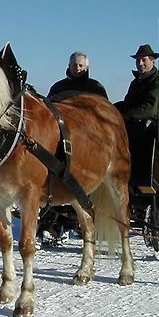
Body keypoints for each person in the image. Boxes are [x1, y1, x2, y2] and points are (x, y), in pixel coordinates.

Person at [38, 51, 108, 247]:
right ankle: (49, 224)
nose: (77, 68)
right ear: (68, 66)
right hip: (61, 140)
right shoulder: (58, 87)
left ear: (87, 67)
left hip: (88, 141)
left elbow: (104, 115)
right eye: (74, 65)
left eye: (81, 65)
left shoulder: (95, 88)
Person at [115, 44, 159, 185]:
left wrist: (124, 117)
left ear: (153, 61)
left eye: (143, 60)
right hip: (137, 122)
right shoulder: (135, 82)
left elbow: (151, 109)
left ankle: (140, 178)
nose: (140, 63)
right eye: (138, 60)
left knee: (134, 134)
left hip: (158, 127)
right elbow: (128, 104)